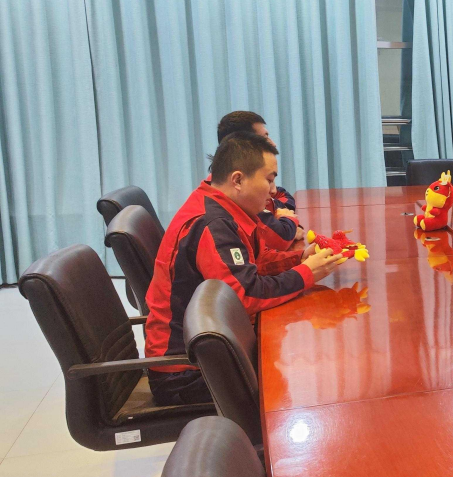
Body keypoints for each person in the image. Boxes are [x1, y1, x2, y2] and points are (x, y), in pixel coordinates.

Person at [144, 133, 346, 405]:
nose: (273, 191)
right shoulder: (212, 224)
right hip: (187, 371)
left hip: (211, 348)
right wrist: (307, 274)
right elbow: (246, 294)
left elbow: (254, 264)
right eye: (269, 180)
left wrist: (299, 259)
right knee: (304, 383)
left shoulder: (223, 207)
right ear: (238, 180)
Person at [216, 110, 301, 242]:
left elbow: (282, 195)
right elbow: (281, 238)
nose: (273, 144)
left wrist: (283, 214)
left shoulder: (235, 181)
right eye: (264, 139)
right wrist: (288, 219)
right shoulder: (217, 218)